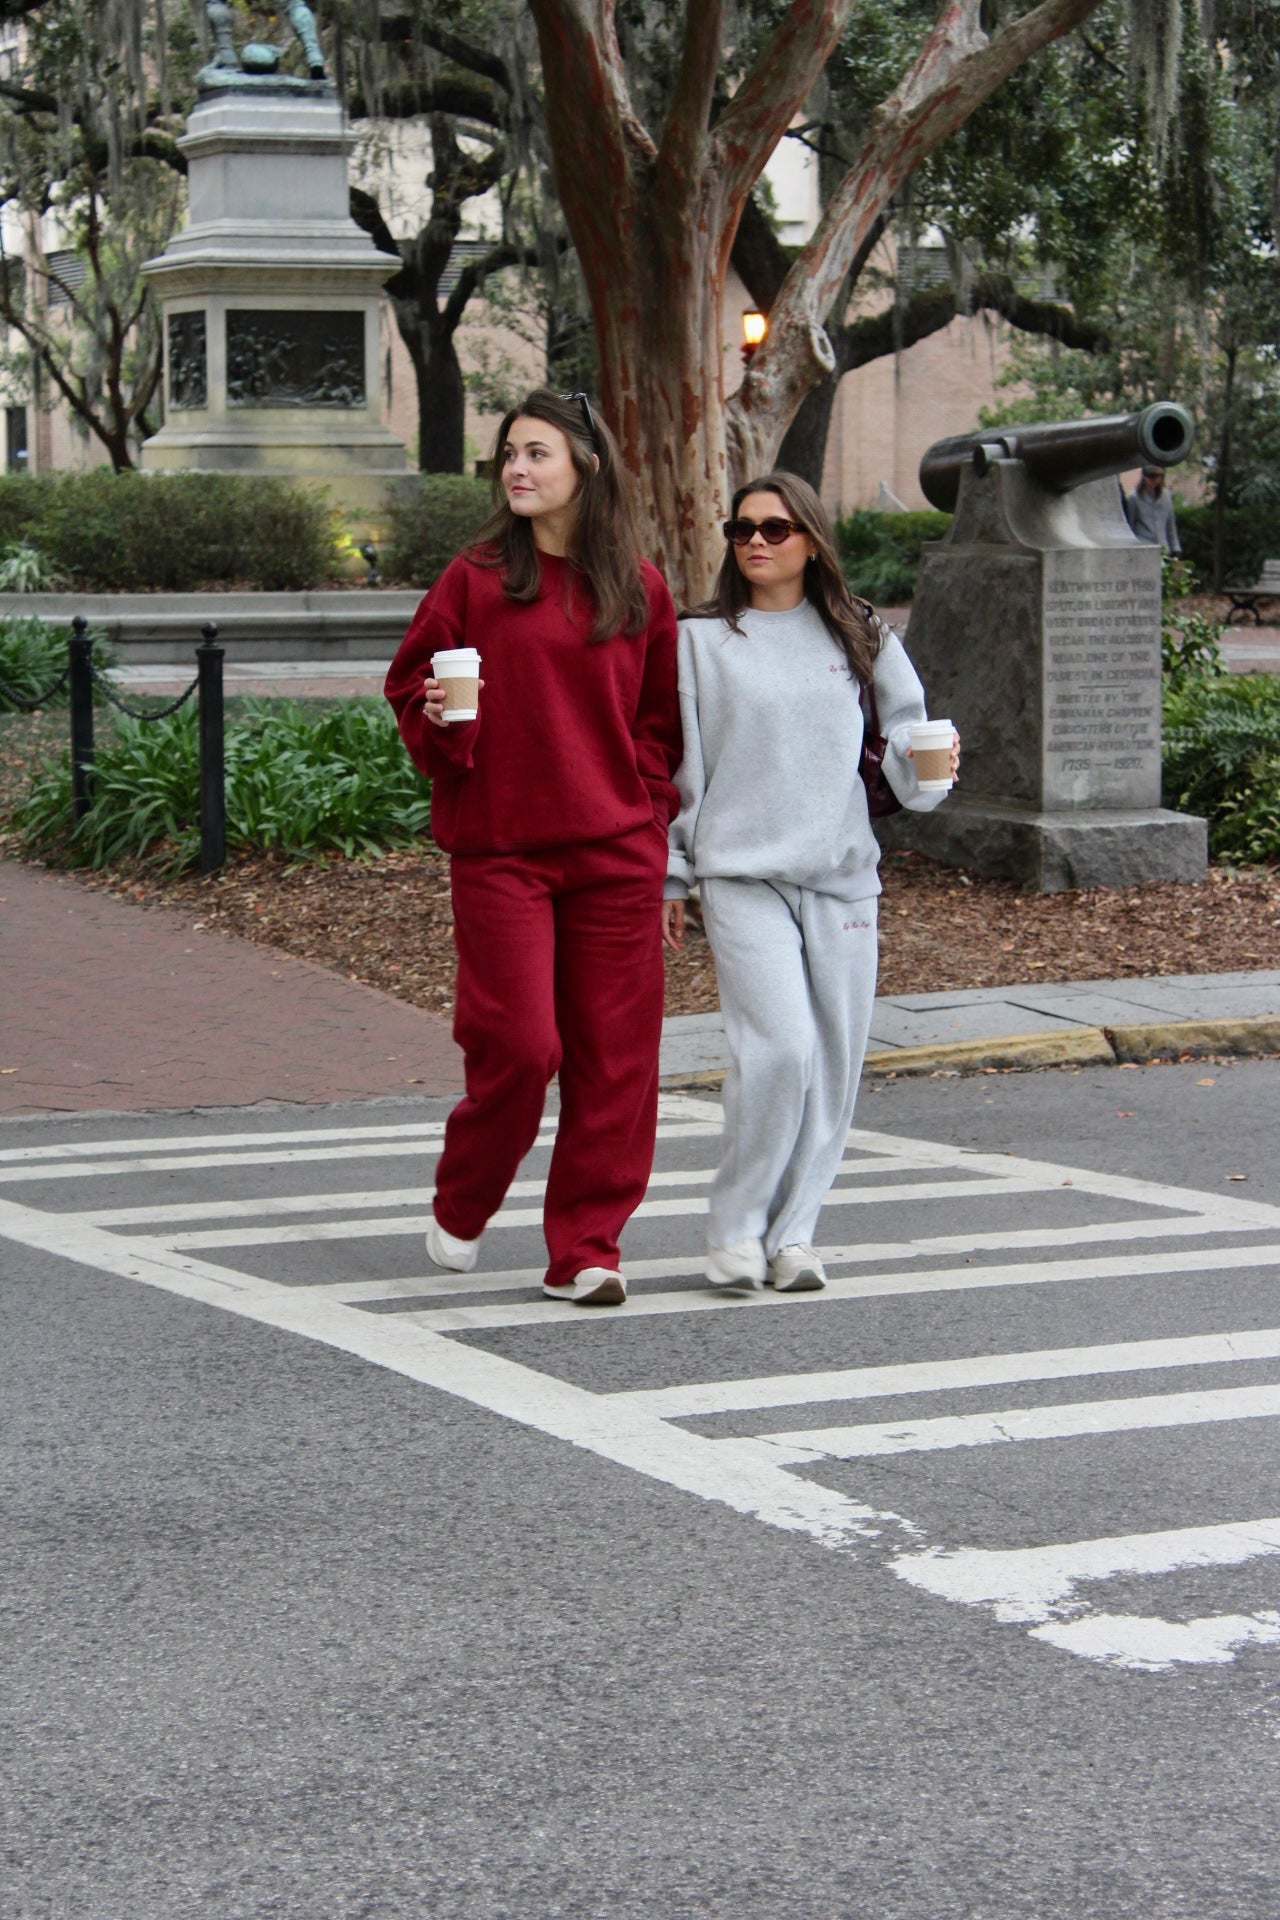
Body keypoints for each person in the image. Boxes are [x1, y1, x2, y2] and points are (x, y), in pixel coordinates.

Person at [385, 390, 681, 1307]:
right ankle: (466, 1197)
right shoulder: (473, 578)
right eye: (510, 452)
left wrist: (646, 813)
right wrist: (439, 722)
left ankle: (586, 1250)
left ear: (585, 469)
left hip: (614, 853)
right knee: (519, 1046)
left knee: (615, 1060)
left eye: (537, 453)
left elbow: (659, 725)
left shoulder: (638, 585)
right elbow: (410, 686)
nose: (516, 467)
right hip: (502, 848)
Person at [661, 472, 959, 1293]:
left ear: (812, 539)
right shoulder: (701, 641)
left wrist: (933, 771)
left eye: (776, 528)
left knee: (832, 1065)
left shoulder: (861, 634)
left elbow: (908, 747)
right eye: (741, 528)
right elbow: (683, 768)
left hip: (842, 879)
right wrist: (672, 876)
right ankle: (736, 1224)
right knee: (780, 1053)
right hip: (741, 876)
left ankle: (793, 1235)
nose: (755, 541)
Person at [1124, 466, 1181, 552]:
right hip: (1143, 545)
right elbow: (1130, 525)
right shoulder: (1134, 498)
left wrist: (1176, 548)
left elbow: (1170, 525)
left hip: (1163, 547)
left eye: (1157, 477)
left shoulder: (1166, 496)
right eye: (1150, 477)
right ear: (1144, 477)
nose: (1154, 480)